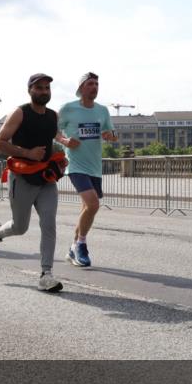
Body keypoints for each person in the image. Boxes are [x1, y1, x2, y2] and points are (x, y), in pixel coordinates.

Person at [0, 73, 77, 292]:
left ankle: (46, 274)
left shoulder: (53, 116)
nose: (44, 91)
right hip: (22, 177)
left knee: (49, 223)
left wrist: (63, 149)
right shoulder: (19, 113)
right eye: (39, 88)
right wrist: (27, 152)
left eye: (47, 88)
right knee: (20, 226)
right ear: (30, 90)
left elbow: (54, 138)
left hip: (45, 178)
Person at [57, 72, 117, 269]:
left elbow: (111, 133)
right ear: (81, 87)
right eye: (90, 84)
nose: (94, 87)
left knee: (86, 208)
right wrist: (65, 141)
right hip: (75, 165)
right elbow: (53, 130)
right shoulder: (68, 109)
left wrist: (110, 136)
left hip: (95, 167)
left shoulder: (102, 111)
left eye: (97, 84)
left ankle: (73, 247)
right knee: (93, 204)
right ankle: (81, 245)